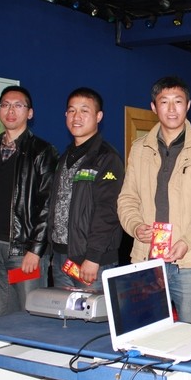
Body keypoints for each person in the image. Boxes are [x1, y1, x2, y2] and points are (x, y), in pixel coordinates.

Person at [118, 76, 191, 325]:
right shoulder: (139, 148)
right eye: (164, 101)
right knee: (146, 337)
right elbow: (127, 198)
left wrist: (187, 241)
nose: (172, 108)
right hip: (147, 261)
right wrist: (135, 226)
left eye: (178, 101)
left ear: (188, 105)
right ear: (154, 107)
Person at [0, 86, 58, 317]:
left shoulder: (42, 151)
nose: (11, 111)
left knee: (30, 317)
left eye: (18, 105)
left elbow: (48, 204)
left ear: (30, 113)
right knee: (0, 318)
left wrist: (35, 250)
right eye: (5, 105)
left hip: (24, 250)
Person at [48, 87, 124, 290]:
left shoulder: (107, 158)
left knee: (93, 310)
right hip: (61, 257)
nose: (76, 117)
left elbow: (108, 210)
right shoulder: (64, 157)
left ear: (98, 116)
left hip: (92, 262)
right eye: (71, 110)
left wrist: (94, 256)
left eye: (84, 110)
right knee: (63, 311)